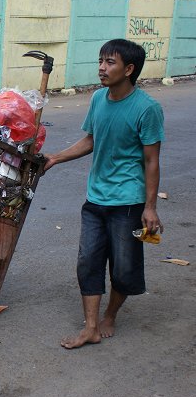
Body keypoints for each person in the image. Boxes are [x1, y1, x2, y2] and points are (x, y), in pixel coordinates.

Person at [43, 39, 164, 350]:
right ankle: (91, 327)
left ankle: (111, 314)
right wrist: (55, 158)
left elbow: (151, 160)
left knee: (124, 268)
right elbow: (91, 139)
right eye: (101, 61)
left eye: (110, 62)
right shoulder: (98, 99)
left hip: (129, 203)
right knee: (88, 263)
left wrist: (150, 208)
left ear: (129, 69)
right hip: (95, 200)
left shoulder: (147, 109)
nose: (102, 68)